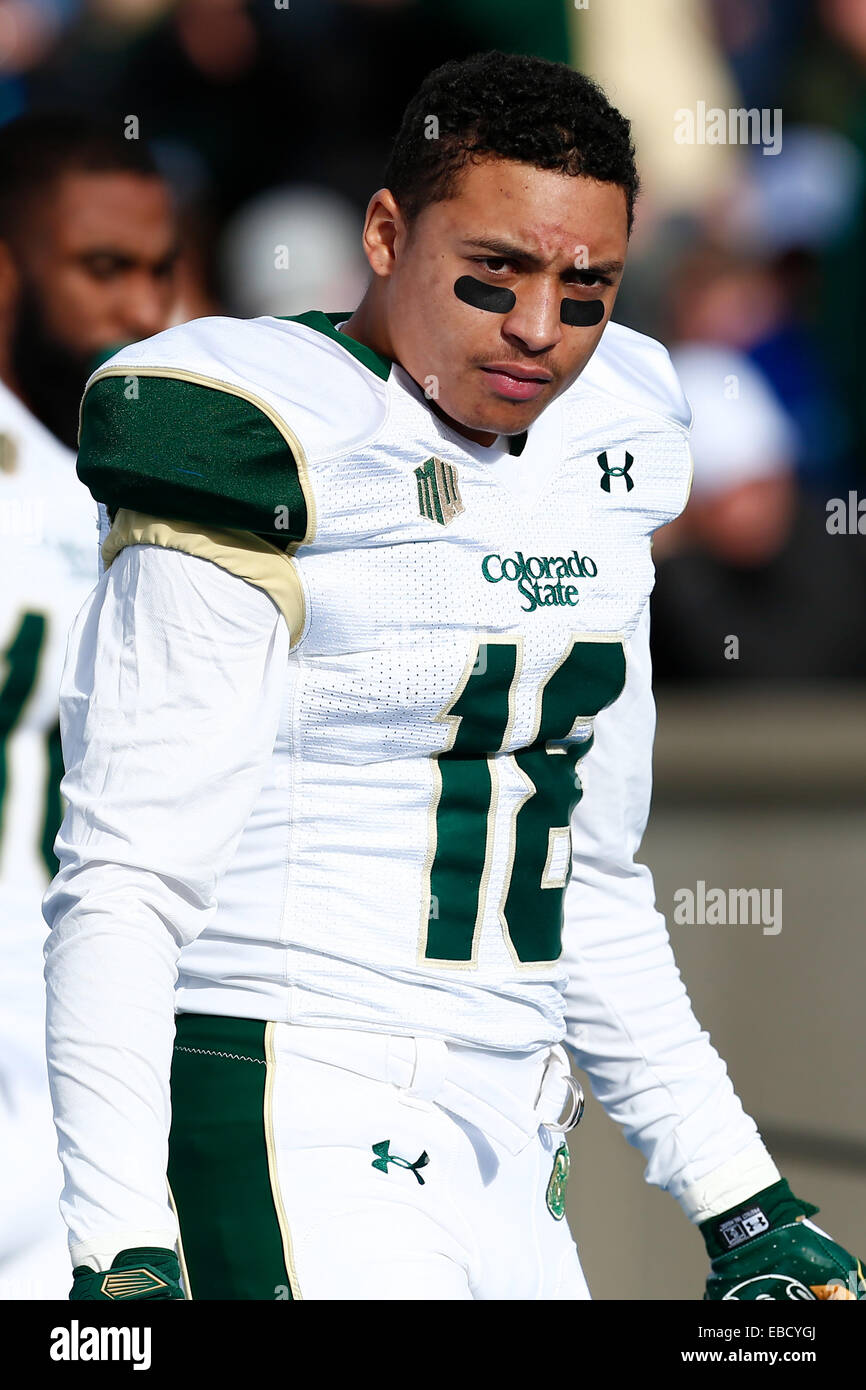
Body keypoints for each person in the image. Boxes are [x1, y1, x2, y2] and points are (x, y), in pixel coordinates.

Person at [42, 51, 863, 1301]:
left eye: (585, 286)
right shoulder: (261, 430)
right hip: (288, 1099)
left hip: (514, 1140)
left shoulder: (619, 428)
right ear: (385, 233)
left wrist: (735, 1195)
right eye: (495, 274)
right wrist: (119, 1247)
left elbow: (582, 871)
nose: (538, 327)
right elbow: (122, 879)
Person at [0, 111, 179, 1299]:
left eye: (162, 270)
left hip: (93, 1061)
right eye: (101, 268)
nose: (142, 310)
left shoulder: (174, 498)